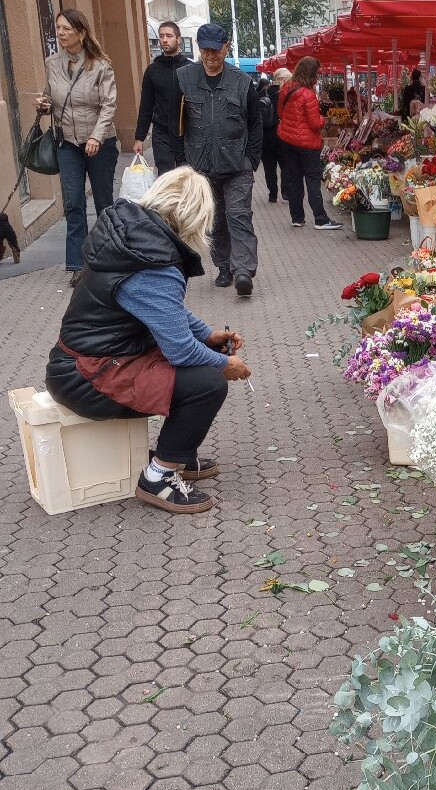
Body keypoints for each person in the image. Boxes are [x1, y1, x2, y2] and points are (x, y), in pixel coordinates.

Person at [45, 166, 252, 515]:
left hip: (83, 363)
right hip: (87, 377)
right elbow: (180, 350)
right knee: (208, 383)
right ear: (194, 216)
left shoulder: (132, 236)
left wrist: (207, 334)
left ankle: (178, 455)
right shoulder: (152, 261)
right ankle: (159, 476)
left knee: (204, 363)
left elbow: (164, 309)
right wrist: (225, 364)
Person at [175, 23, 262, 296]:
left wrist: (250, 160)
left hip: (237, 165)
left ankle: (243, 271)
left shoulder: (242, 82)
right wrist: (181, 164)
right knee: (214, 221)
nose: (211, 56)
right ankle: (223, 266)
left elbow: (256, 124)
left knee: (239, 216)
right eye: (205, 50)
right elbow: (173, 123)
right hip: (200, 166)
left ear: (227, 47)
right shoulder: (184, 78)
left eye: (216, 50)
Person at [35, 9, 118, 287]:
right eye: (58, 28)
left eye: (66, 29)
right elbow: (50, 95)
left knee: (104, 204)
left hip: (100, 143)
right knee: (74, 204)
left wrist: (96, 136)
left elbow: (108, 105)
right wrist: (43, 104)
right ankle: (77, 265)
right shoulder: (52, 63)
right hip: (67, 143)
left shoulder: (101, 65)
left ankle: (108, 258)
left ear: (80, 33)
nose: (60, 33)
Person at [277, 57, 341, 231]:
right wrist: (323, 119)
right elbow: (315, 123)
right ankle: (320, 219)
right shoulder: (308, 94)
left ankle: (297, 218)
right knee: (313, 180)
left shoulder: (286, 89)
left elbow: (280, 112)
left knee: (294, 179)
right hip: (307, 144)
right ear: (312, 74)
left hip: (288, 140)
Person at [133, 21, 191, 174]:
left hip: (187, 132)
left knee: (186, 176)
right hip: (162, 132)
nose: (164, 40)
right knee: (166, 176)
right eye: (161, 36)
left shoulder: (190, 69)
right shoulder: (153, 70)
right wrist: (140, 137)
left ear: (179, 39)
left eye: (169, 36)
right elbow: (146, 105)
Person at [261, 68, 290, 203]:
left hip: (265, 137)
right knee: (285, 165)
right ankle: (285, 192)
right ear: (282, 79)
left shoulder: (263, 93)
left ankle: (272, 194)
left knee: (269, 168)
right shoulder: (286, 94)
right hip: (281, 134)